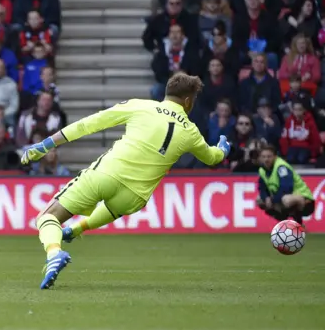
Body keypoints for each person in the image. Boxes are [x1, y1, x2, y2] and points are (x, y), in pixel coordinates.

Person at [21, 73, 230, 289]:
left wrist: (46, 144)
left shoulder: (140, 106)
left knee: (48, 216)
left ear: (166, 93)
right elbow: (212, 157)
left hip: (107, 174)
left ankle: (54, 253)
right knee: (113, 207)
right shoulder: (191, 131)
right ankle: (75, 229)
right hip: (134, 198)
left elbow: (89, 124)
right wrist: (223, 147)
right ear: (188, 101)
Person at [257, 145, 314, 226]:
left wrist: (272, 200)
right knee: (259, 200)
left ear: (275, 157)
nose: (266, 159)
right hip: (282, 197)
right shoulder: (262, 170)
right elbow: (262, 188)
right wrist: (266, 198)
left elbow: (287, 188)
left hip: (306, 201)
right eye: (264, 157)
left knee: (286, 200)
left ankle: (299, 223)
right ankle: (283, 221)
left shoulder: (281, 167)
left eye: (269, 156)